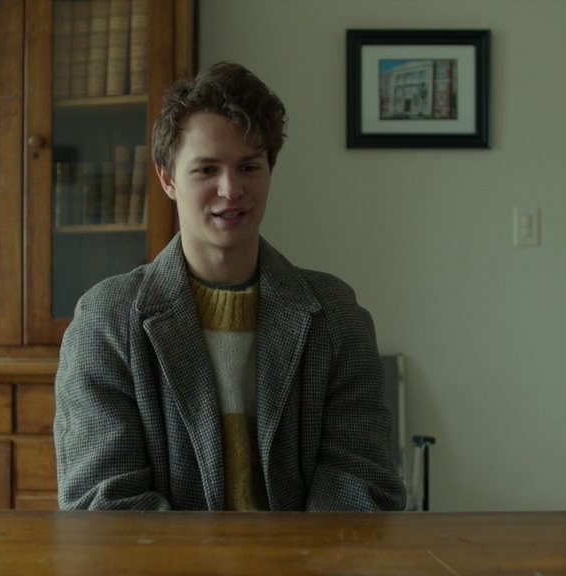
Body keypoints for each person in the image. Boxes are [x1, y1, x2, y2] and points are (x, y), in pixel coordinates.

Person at [54, 62, 406, 511]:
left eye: (248, 167)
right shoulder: (105, 322)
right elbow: (104, 503)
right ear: (167, 179)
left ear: (270, 169)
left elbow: (361, 484)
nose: (231, 189)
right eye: (206, 170)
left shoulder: (337, 316)